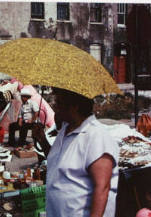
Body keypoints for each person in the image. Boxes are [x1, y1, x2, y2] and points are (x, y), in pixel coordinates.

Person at [33, 88, 119, 217]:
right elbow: (58, 162)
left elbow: (102, 188)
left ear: (74, 107)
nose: (55, 107)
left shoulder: (96, 137)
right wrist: (42, 140)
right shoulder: (65, 130)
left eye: (59, 103)